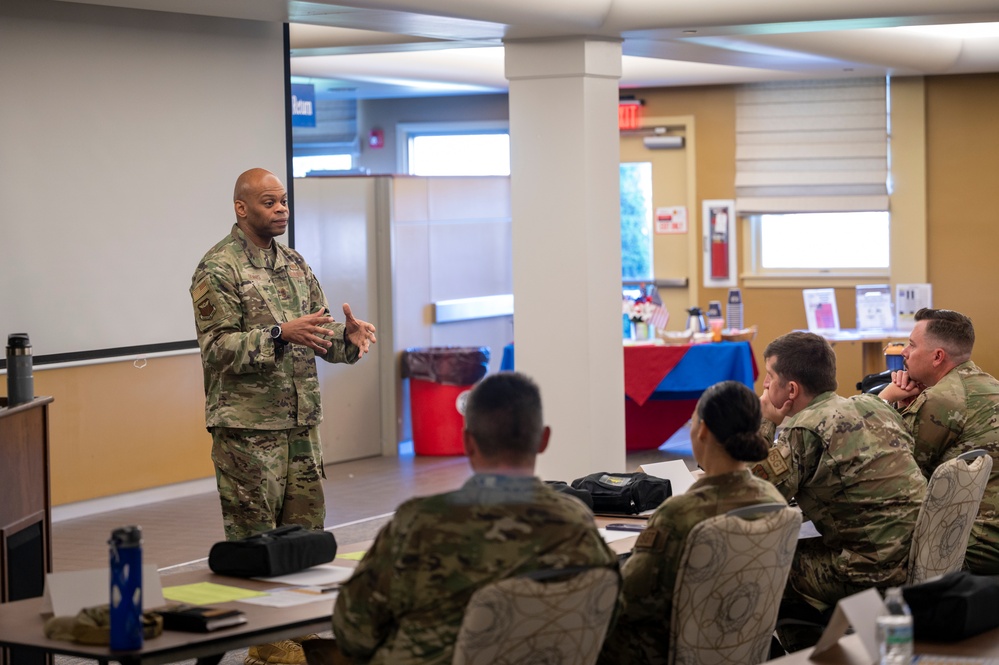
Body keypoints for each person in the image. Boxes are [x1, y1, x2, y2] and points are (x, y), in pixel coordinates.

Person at [330, 372, 618, 665]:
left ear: (468, 442)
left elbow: (352, 632)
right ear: (543, 439)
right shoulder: (577, 523)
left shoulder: (420, 523)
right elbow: (610, 611)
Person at [751, 331, 926, 651]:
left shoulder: (803, 428)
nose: (764, 385)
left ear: (791, 389)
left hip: (870, 569)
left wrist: (766, 424)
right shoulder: (874, 406)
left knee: (767, 566)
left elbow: (758, 497)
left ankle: (807, 655)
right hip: (915, 554)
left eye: (769, 377)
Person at [597, 380, 785, 665]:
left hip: (665, 650)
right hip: (738, 643)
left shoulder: (681, 513)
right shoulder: (773, 501)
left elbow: (629, 599)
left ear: (704, 430)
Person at [878, 308, 999, 574]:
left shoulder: (942, 399)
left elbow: (888, 470)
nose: (904, 353)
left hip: (969, 540)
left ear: (937, 357)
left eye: (911, 345)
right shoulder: (986, 383)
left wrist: (886, 401)